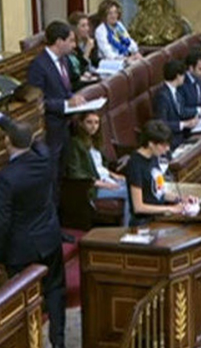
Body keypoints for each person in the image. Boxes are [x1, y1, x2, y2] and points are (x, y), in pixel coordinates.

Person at [0, 111, 71, 348]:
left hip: (21, 249)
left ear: (6, 142)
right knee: (55, 290)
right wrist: (0, 117)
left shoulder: (6, 178)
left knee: (23, 300)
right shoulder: (45, 160)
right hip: (49, 238)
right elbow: (32, 140)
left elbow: (1, 222)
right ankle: (59, 344)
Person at [28, 20, 87, 204]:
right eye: (70, 40)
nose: (74, 45)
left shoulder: (65, 61)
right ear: (59, 41)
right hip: (50, 130)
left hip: (65, 127)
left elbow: (65, 89)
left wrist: (74, 98)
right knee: (51, 179)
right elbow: (37, 101)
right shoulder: (39, 65)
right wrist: (64, 104)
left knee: (62, 176)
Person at [64, 111, 130, 224]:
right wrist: (103, 184)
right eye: (89, 122)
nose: (94, 126)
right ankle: (127, 228)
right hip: (92, 188)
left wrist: (113, 174)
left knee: (138, 184)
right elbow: (75, 173)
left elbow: (99, 166)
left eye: (96, 123)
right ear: (81, 123)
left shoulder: (96, 141)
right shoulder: (75, 144)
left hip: (107, 179)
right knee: (130, 192)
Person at [125, 121, 193, 226]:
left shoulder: (154, 156)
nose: (167, 149)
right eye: (164, 145)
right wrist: (170, 209)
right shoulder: (135, 164)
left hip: (159, 215)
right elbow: (138, 207)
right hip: (144, 222)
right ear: (151, 144)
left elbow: (159, 193)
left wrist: (180, 198)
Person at [153, 60, 199, 148]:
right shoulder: (162, 96)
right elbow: (161, 124)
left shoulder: (176, 91)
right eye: (183, 75)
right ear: (178, 76)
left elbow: (181, 111)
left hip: (182, 134)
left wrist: (196, 114)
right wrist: (184, 124)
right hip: (172, 140)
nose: (184, 78)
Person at [67, 11, 100, 91]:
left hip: (93, 74)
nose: (87, 29)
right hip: (81, 80)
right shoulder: (72, 47)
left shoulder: (91, 40)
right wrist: (87, 51)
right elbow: (79, 69)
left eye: (87, 25)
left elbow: (96, 62)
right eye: (83, 26)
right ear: (74, 28)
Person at [180, 50, 201, 119]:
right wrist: (200, 110)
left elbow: (199, 99)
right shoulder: (181, 83)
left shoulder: (198, 79)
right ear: (191, 68)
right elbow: (181, 111)